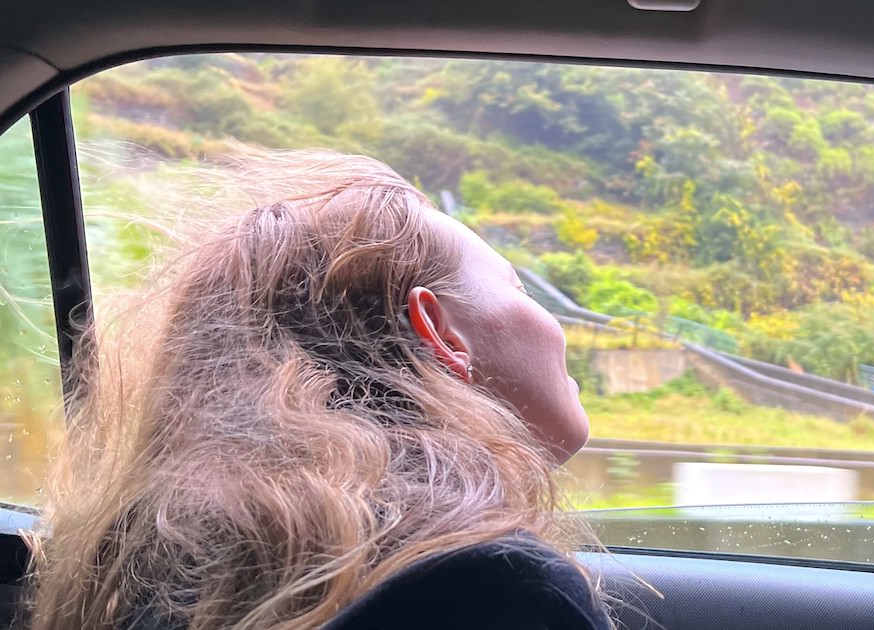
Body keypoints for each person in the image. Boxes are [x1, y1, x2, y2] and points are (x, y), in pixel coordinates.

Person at [26, 150, 610, 629]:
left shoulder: (151, 571)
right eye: (521, 290)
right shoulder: (491, 590)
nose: (555, 327)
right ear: (442, 333)